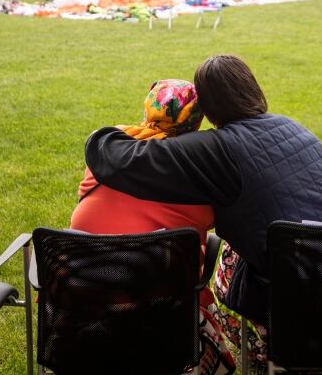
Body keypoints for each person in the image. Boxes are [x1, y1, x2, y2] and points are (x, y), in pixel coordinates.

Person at [85, 54, 322, 362]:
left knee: (229, 263)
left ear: (208, 107)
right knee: (245, 248)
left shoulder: (217, 148)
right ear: (253, 88)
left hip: (304, 310)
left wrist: (121, 132)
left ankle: (271, 355)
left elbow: (110, 155)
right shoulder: (294, 127)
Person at [72, 79, 235, 375]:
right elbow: (212, 218)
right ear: (196, 122)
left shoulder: (110, 147)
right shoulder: (192, 172)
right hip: (161, 324)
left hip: (88, 310)